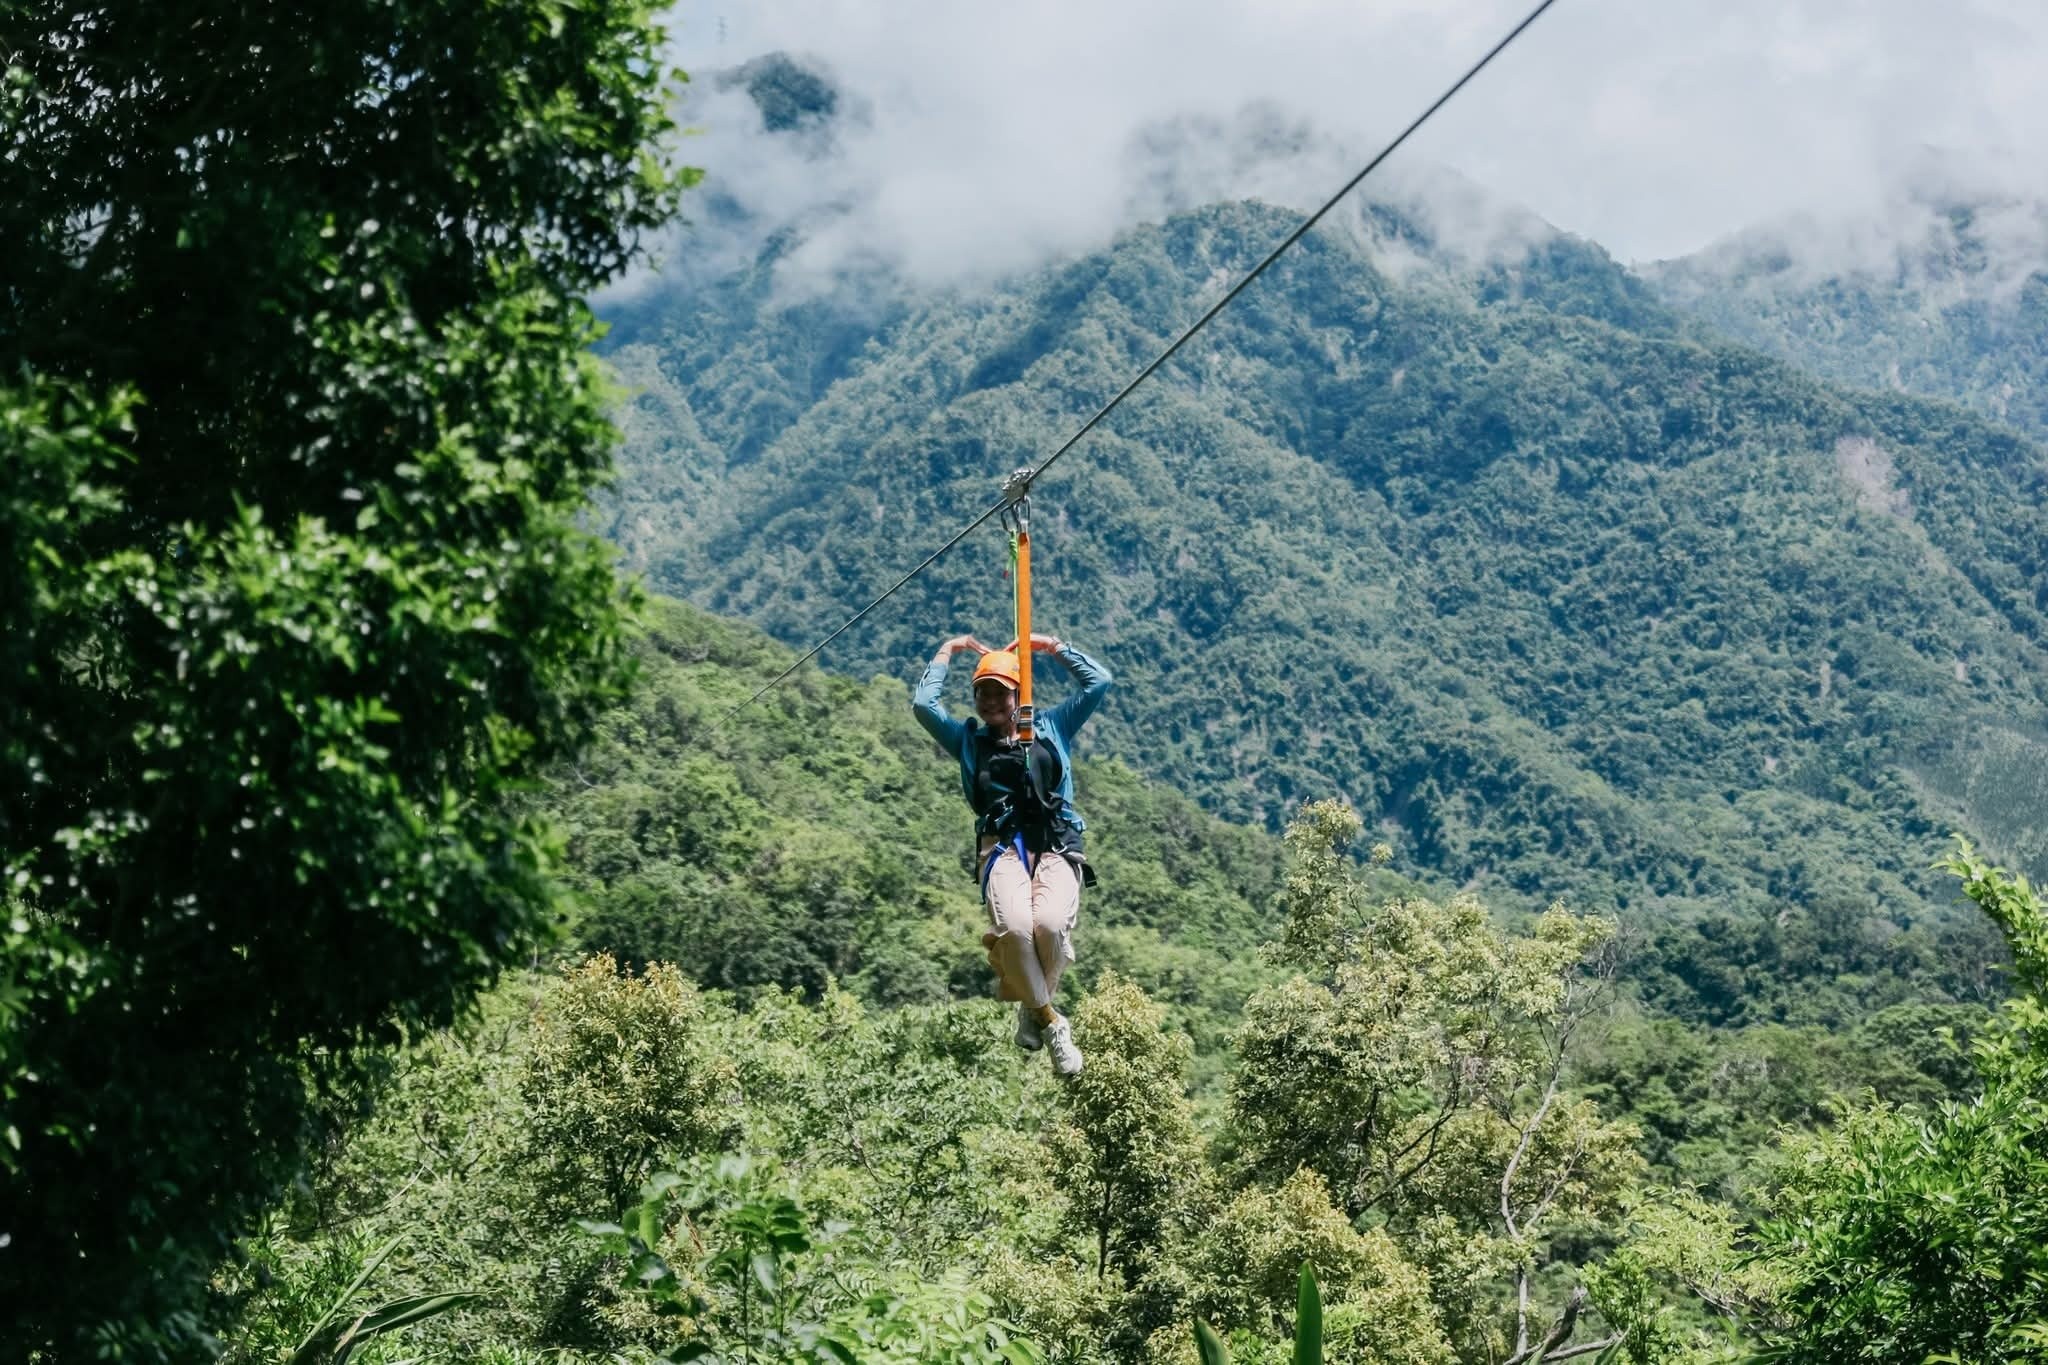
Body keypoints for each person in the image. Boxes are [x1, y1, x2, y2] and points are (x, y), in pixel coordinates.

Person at [912, 630, 1112, 1076]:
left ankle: (1031, 1003)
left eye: (1000, 692)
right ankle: (1052, 1021)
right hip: (1002, 846)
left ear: (1019, 693)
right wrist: (948, 649)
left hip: (1056, 841)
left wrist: (1050, 645)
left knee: (1050, 925)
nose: (990, 702)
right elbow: (924, 705)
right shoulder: (969, 741)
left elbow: (1099, 681)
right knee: (1017, 929)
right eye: (982, 693)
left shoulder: (1052, 727)